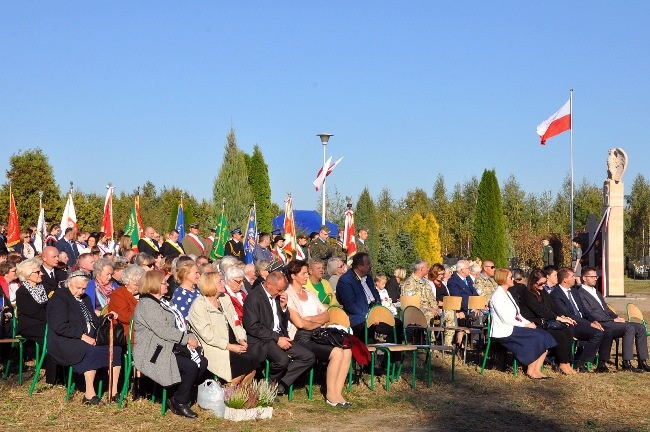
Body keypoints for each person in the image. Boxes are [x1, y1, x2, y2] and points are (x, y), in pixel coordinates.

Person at [132, 270, 207, 418]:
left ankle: (177, 393)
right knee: (190, 367)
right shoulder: (147, 304)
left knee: (202, 362)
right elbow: (163, 330)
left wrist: (188, 337)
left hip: (167, 346)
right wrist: (186, 339)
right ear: (154, 285)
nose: (167, 284)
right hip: (152, 352)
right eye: (164, 282)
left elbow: (176, 326)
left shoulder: (163, 302)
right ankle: (179, 401)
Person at [47, 271, 122, 404]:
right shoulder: (59, 298)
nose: (81, 291)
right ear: (68, 283)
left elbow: (92, 321)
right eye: (78, 288)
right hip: (65, 340)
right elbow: (59, 326)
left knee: (115, 350)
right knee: (89, 350)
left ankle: (113, 391)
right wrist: (82, 336)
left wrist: (106, 316)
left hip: (88, 338)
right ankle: (89, 394)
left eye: (84, 288)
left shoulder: (85, 298)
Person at [284, 260, 352, 407]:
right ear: (293, 276)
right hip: (300, 337)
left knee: (347, 350)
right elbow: (299, 324)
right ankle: (330, 395)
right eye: (303, 273)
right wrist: (315, 321)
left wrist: (311, 319)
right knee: (337, 353)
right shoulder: (288, 295)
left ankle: (338, 392)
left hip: (318, 333)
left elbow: (326, 316)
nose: (307, 275)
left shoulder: (309, 293)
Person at [242, 271, 315, 397]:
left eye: (282, 290)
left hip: (279, 335)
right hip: (262, 339)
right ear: (268, 284)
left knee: (308, 357)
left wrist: (283, 307)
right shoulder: (254, 297)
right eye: (279, 289)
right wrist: (276, 338)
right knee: (282, 360)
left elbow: (281, 321)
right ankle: (268, 387)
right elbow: (252, 327)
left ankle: (277, 384)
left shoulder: (276, 296)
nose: (280, 293)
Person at [188, 271, 256, 386]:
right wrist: (230, 346)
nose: (223, 283)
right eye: (220, 281)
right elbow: (208, 336)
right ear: (210, 285)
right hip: (214, 347)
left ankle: (240, 397)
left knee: (253, 359)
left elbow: (236, 322)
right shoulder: (199, 306)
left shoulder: (224, 298)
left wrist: (241, 339)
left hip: (233, 343)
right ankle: (228, 394)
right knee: (242, 364)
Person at [577, 267, 650, 372]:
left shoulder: (596, 292)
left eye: (596, 276)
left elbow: (605, 309)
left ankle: (642, 362)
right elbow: (589, 312)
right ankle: (627, 363)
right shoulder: (581, 293)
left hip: (610, 321)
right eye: (592, 276)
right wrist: (610, 320)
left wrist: (616, 317)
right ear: (584, 278)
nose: (595, 278)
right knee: (628, 328)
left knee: (640, 327)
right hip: (601, 323)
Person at [489, 268, 557, 379]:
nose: (513, 280)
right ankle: (531, 370)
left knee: (545, 335)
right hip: (505, 330)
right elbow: (506, 319)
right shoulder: (497, 296)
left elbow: (518, 314)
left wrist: (528, 323)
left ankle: (536, 369)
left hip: (514, 326)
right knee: (538, 337)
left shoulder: (507, 294)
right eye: (510, 277)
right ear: (503, 279)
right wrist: (526, 325)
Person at [550, 267, 611, 372]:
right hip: (572, 324)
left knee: (608, 331)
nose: (575, 278)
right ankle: (582, 362)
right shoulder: (556, 294)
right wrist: (589, 324)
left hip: (583, 322)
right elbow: (568, 314)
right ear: (565, 279)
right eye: (573, 276)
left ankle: (602, 363)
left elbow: (584, 310)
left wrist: (593, 321)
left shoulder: (574, 291)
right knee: (597, 334)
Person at [518, 269, 577, 375]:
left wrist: (563, 316)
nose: (543, 285)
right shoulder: (527, 293)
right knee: (560, 335)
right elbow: (540, 311)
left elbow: (553, 306)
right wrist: (558, 318)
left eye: (544, 283)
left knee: (567, 330)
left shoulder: (543, 291)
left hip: (546, 321)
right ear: (533, 282)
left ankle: (567, 363)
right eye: (540, 283)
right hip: (535, 323)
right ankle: (562, 363)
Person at [15, 259, 60, 384]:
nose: (41, 274)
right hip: (29, 325)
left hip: (44, 322)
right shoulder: (22, 292)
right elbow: (33, 312)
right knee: (51, 337)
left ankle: (61, 374)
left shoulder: (43, 288)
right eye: (38, 272)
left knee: (58, 334)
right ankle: (52, 378)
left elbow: (51, 306)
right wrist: (53, 320)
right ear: (29, 274)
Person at [107, 264, 145, 336]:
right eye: (136, 285)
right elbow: (125, 317)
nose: (138, 287)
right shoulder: (118, 295)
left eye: (140, 284)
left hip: (140, 329)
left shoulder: (142, 294)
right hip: (127, 332)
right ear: (126, 282)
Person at [402, 260, 439, 325]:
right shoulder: (410, 283)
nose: (428, 269)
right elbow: (411, 303)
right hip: (415, 311)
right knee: (429, 314)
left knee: (450, 313)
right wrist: (430, 309)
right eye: (427, 267)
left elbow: (432, 298)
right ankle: (428, 335)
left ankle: (448, 335)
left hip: (429, 309)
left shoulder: (426, 282)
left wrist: (435, 308)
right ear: (421, 269)